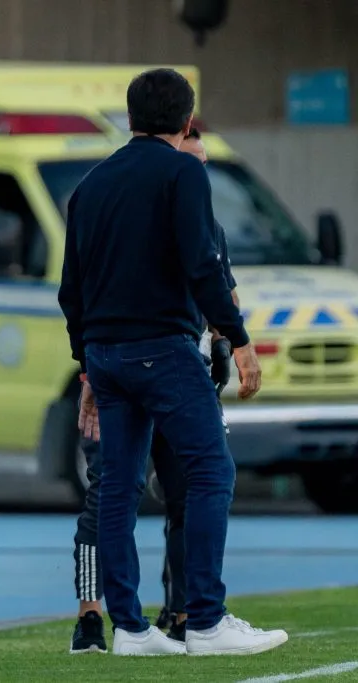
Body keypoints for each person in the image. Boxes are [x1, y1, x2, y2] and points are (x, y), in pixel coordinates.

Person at [58, 68, 287, 657]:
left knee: (118, 491)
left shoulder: (91, 185)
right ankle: (206, 620)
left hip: (105, 357)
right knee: (213, 472)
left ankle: (130, 628)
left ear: (130, 119)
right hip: (162, 348)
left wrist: (87, 363)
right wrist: (237, 338)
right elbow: (201, 263)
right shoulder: (184, 170)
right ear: (187, 122)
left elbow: (72, 289)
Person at [69, 127, 239, 654]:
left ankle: (179, 611)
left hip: (164, 363)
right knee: (111, 491)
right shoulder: (133, 217)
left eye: (203, 163)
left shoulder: (204, 224)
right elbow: (88, 291)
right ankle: (92, 614)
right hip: (148, 362)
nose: (198, 173)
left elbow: (221, 289)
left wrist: (222, 344)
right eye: (192, 161)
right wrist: (84, 374)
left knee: (180, 492)